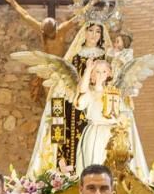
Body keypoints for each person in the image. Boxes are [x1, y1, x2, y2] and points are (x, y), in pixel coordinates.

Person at [26, 22, 110, 175]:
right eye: (90, 30)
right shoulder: (75, 58)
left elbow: (112, 85)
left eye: (98, 31)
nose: (94, 35)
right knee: (69, 139)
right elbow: (64, 81)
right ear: (84, 33)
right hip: (75, 106)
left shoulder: (108, 57)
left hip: (99, 108)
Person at [74, 59, 150, 178]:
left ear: (109, 74)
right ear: (92, 74)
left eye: (104, 71)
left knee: (112, 169)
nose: (100, 75)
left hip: (112, 135)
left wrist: (120, 118)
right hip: (95, 132)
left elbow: (124, 112)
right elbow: (82, 90)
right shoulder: (90, 92)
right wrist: (88, 69)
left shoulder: (114, 93)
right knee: (94, 167)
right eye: (97, 72)